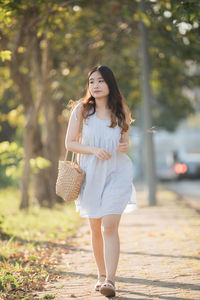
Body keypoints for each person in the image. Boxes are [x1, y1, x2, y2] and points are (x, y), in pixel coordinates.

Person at [65, 65, 138, 297]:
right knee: (96, 228)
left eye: (100, 81)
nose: (95, 85)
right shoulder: (81, 111)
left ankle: (110, 280)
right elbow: (70, 143)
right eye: (92, 82)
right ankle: (100, 274)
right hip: (91, 174)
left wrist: (124, 146)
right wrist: (93, 150)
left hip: (117, 173)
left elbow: (125, 144)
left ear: (110, 84)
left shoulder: (121, 110)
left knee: (109, 225)